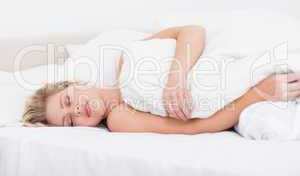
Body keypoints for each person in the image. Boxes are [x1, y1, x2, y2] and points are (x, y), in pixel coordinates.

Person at [22, 26, 300, 134]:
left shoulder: (126, 60)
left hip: (218, 57)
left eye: (68, 100)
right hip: (237, 87)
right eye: (70, 120)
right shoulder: (120, 118)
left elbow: (192, 32)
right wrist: (258, 94)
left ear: (74, 84)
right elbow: (191, 127)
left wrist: (175, 79)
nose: (77, 110)